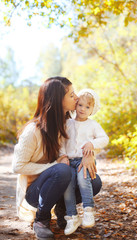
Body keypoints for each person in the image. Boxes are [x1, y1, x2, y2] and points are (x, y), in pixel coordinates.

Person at [12, 77, 102, 240]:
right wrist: (54, 165)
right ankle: (41, 219)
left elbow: (79, 148)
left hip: (60, 181)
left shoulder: (67, 124)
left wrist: (89, 156)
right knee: (62, 170)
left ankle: (64, 211)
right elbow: (17, 166)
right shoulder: (33, 131)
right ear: (58, 100)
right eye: (71, 94)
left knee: (94, 181)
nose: (76, 97)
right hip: (36, 191)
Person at [59, 89, 109, 235]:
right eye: (80, 105)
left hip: (83, 161)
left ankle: (88, 211)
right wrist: (63, 156)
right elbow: (61, 142)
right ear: (75, 105)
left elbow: (104, 139)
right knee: (68, 185)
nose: (83, 109)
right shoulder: (67, 123)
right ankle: (72, 216)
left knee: (83, 179)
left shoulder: (93, 125)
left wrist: (91, 144)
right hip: (69, 161)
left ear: (93, 109)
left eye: (87, 107)